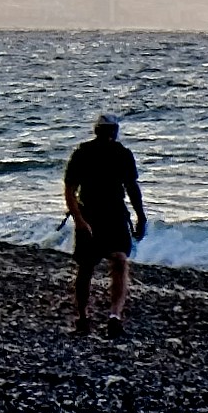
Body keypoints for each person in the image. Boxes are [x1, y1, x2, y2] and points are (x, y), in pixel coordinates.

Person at [62, 111, 147, 336]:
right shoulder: (83, 153)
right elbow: (70, 190)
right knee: (88, 266)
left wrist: (140, 215)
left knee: (117, 260)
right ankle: (83, 317)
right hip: (90, 213)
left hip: (114, 214)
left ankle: (114, 317)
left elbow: (132, 187)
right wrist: (79, 220)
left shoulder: (122, 155)